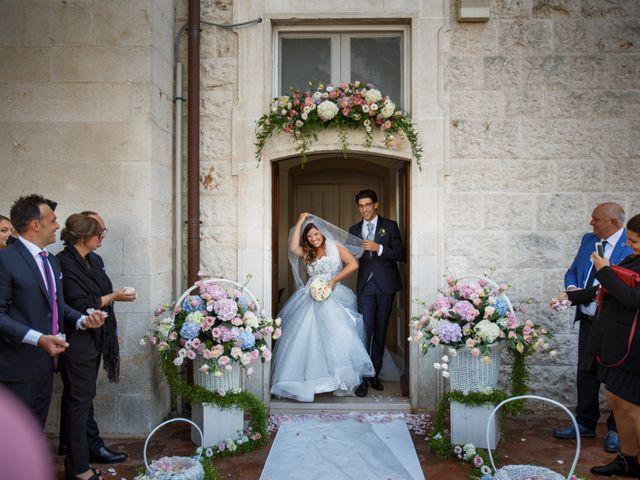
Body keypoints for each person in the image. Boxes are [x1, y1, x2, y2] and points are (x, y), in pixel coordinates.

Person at [0, 194, 104, 431]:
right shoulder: (5, 260)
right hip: (16, 366)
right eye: (53, 220)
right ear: (35, 225)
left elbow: (57, 305)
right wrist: (38, 339)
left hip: (45, 364)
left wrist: (82, 319)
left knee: (33, 434)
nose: (58, 225)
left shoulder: (50, 261)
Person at [556, 213, 640, 477]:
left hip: (634, 346)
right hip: (615, 343)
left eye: (636, 242)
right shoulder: (634, 259)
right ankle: (627, 459)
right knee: (616, 398)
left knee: (633, 405)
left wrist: (603, 269)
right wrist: (572, 296)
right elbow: (603, 289)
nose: (630, 245)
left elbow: (631, 298)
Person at [270, 213, 374, 402]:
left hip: (333, 294)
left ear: (323, 234)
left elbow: (354, 264)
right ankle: (309, 382)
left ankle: (338, 382)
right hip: (310, 296)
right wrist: (300, 220)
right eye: (309, 236)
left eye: (316, 235)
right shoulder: (308, 252)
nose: (313, 239)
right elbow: (293, 248)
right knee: (307, 337)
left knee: (336, 337)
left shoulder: (335, 247)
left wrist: (334, 280)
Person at [57, 211, 131, 465]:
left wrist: (113, 329)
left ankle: (83, 446)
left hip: (97, 335)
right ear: (84, 235)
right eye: (99, 233)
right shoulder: (64, 262)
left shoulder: (94, 260)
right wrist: (113, 297)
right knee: (79, 399)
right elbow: (78, 302)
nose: (102, 238)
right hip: (77, 339)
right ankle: (80, 460)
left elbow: (101, 294)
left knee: (82, 396)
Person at [348, 190, 404, 397]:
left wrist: (379, 247)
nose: (364, 209)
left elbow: (400, 254)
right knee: (365, 331)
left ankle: (375, 374)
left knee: (380, 331)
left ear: (376, 204)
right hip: (365, 288)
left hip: (386, 286)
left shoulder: (390, 226)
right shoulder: (353, 229)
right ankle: (362, 378)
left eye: (368, 205)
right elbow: (350, 255)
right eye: (361, 206)